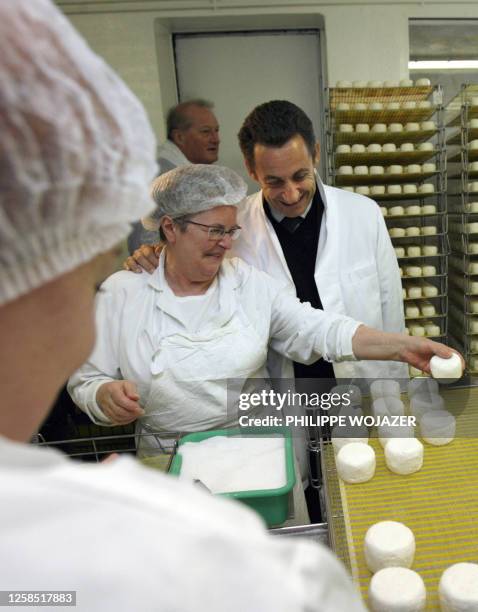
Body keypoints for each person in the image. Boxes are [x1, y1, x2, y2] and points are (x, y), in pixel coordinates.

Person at [0, 2, 372, 610]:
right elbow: (87, 378)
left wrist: (393, 342)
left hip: (259, 454)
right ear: (167, 231)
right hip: (163, 460)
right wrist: (102, 397)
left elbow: (313, 326)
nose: (229, 244)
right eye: (214, 233)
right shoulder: (124, 291)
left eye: (232, 233)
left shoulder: (246, 280)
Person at [125, 100, 408, 384]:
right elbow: (195, 281)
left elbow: (390, 309)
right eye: (274, 182)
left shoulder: (363, 214)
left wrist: (397, 394)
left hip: (364, 382)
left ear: (316, 154)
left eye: (300, 176)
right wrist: (158, 256)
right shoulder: (233, 230)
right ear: (251, 169)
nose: (291, 194)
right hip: (282, 392)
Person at [127, 99, 220, 253]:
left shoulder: (184, 174)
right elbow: (144, 249)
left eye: (216, 130)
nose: (216, 139)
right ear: (179, 137)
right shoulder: (162, 179)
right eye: (205, 131)